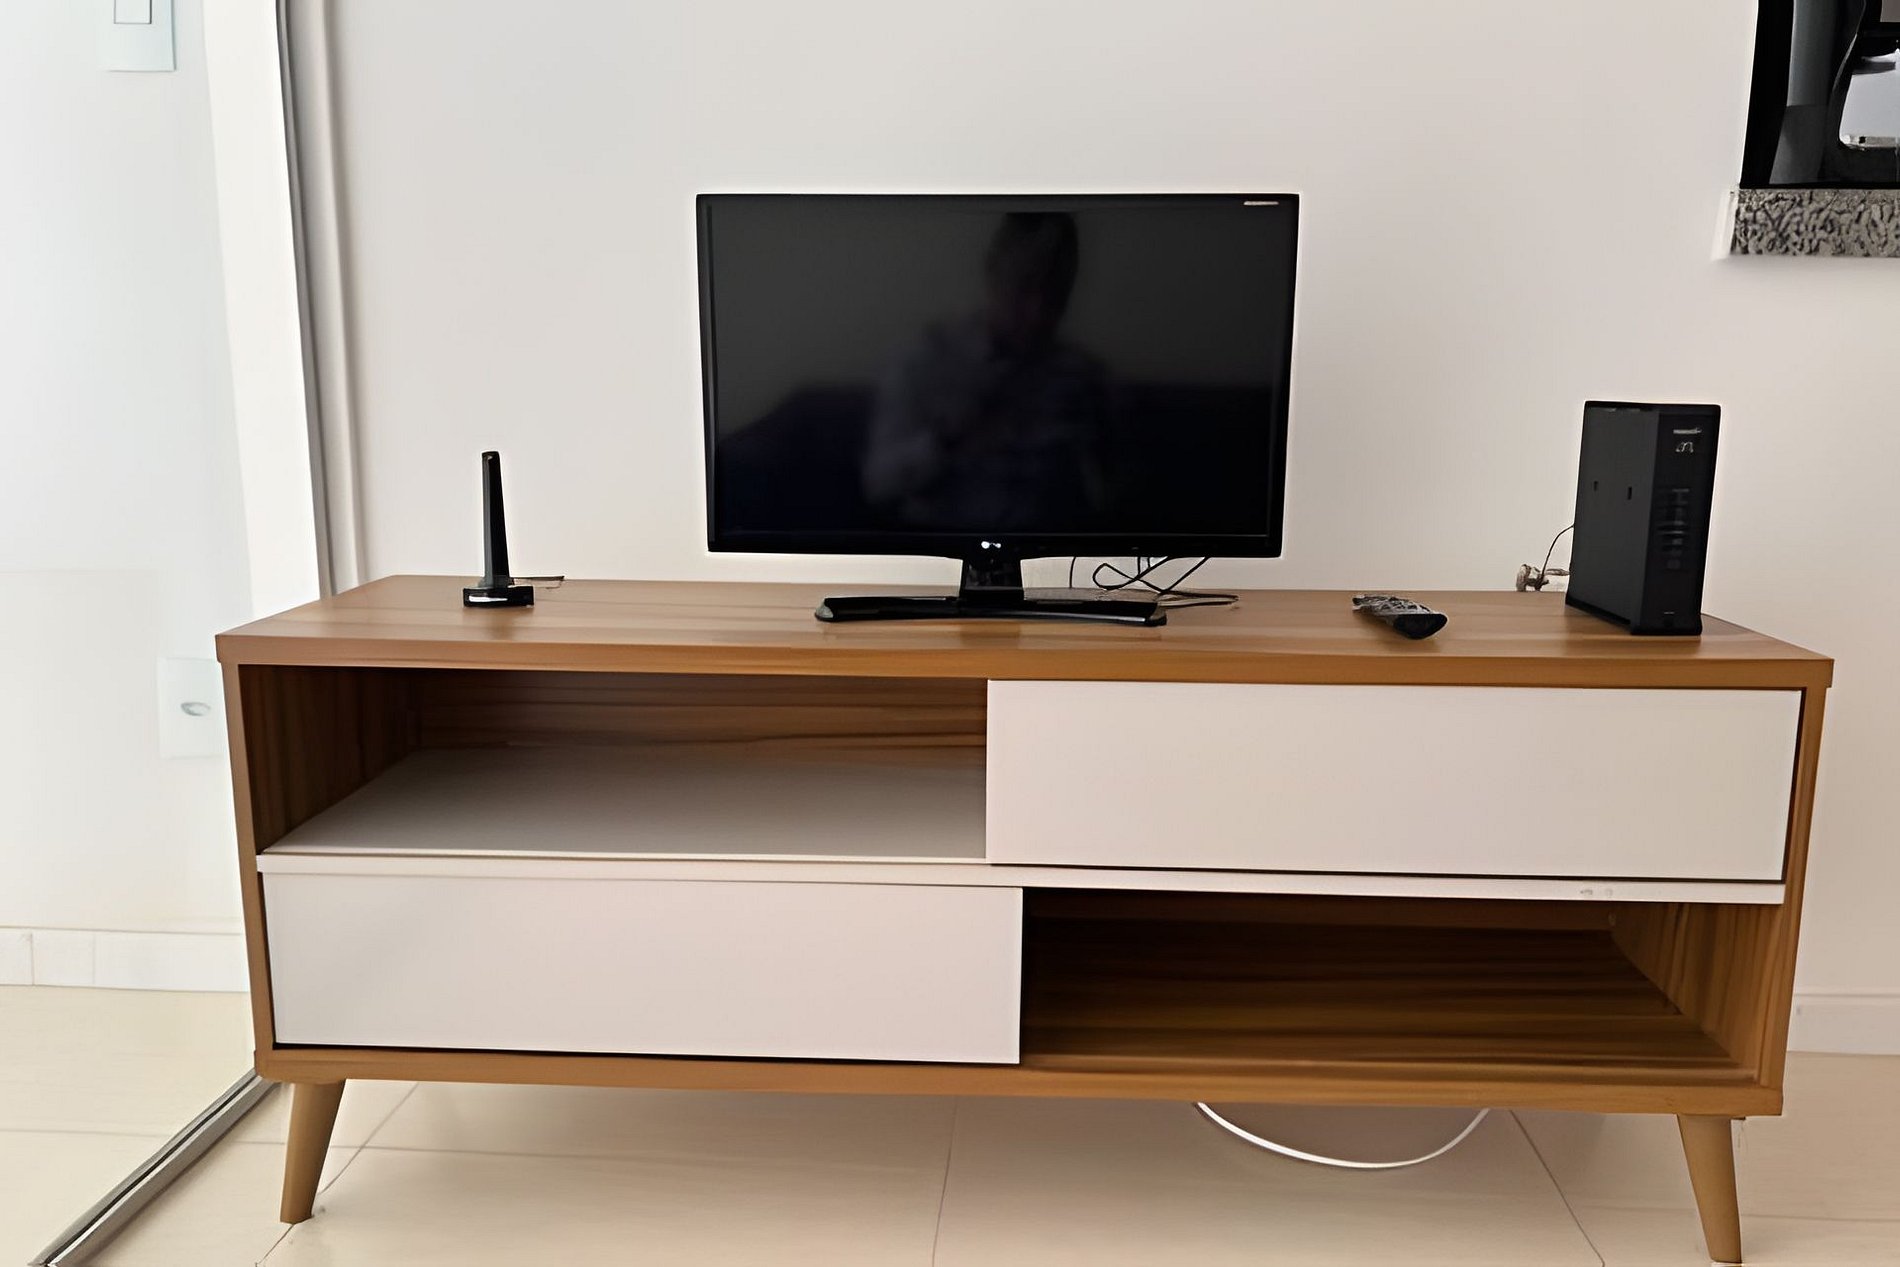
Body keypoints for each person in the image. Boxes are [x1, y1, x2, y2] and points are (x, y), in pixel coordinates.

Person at [862, 213, 1108, 531]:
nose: (1037, 313)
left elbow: (1115, 499)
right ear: (993, 272)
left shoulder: (1083, 376)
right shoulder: (926, 360)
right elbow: (879, 483)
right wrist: (946, 441)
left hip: (1052, 548)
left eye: (1055, 296)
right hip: (940, 545)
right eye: (1024, 287)